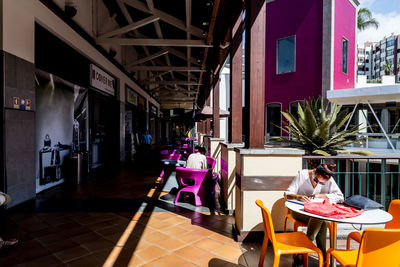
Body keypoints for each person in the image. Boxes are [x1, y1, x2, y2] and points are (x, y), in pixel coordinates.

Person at [284, 163, 344, 266]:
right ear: (314, 171)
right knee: (320, 219)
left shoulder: (327, 177)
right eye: (316, 180)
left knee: (320, 220)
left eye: (322, 183)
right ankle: (321, 257)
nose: (318, 183)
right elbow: (287, 194)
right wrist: (298, 196)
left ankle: (303, 253)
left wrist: (322, 195)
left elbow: (340, 197)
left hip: (315, 211)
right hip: (298, 210)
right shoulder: (302, 175)